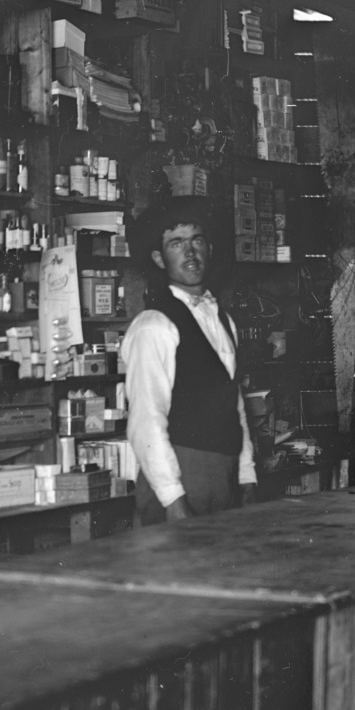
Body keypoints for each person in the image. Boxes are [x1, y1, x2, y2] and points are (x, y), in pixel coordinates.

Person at [122, 197, 256, 523]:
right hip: (179, 479)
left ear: (209, 247)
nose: (190, 253)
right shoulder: (154, 325)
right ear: (158, 257)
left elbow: (233, 402)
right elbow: (146, 421)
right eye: (176, 244)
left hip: (225, 476)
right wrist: (173, 500)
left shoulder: (222, 318)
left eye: (197, 240)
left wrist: (247, 476)